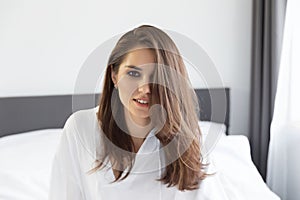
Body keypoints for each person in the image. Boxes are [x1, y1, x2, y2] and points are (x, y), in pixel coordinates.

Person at [48, 25, 229, 200]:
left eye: (156, 77)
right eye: (134, 74)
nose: (145, 89)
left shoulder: (188, 140)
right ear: (114, 76)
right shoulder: (81, 128)